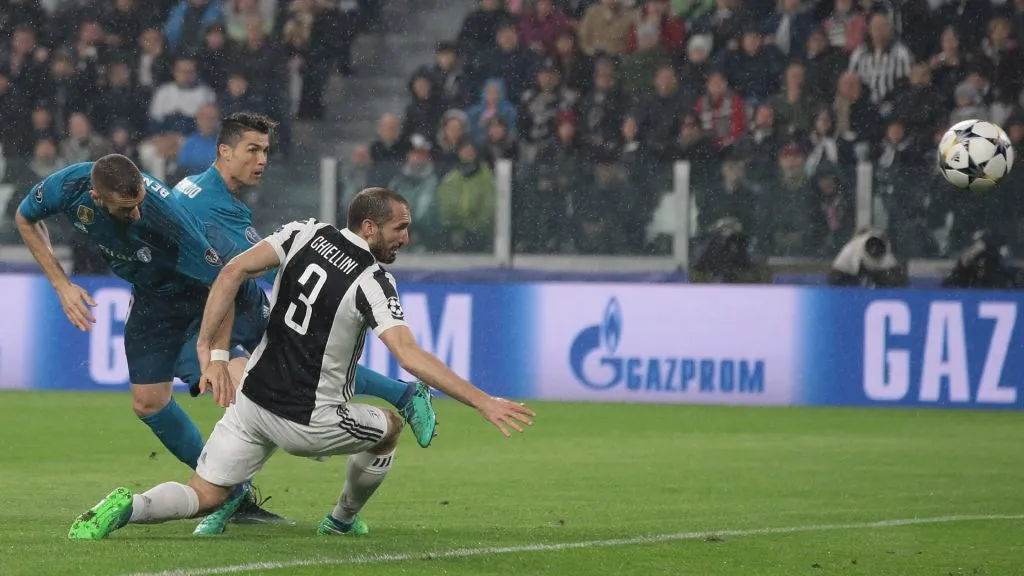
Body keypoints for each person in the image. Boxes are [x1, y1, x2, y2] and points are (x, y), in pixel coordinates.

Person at [68, 188, 536, 540]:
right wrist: (482, 401)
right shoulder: (373, 282)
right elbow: (408, 354)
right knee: (390, 427)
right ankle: (341, 520)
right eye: (399, 228)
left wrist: (211, 352)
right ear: (369, 228)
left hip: (251, 402)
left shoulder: (303, 233)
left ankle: (130, 507)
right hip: (309, 420)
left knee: (204, 494)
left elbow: (231, 271)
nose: (406, 238)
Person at [14, 154, 284, 529]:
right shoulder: (68, 186)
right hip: (152, 299)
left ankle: (299, 425)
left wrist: (217, 354)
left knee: (239, 380)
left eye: (139, 202)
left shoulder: (167, 219)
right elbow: (25, 217)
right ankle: (232, 490)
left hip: (199, 297)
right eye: (127, 209)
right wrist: (62, 285)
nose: (137, 213)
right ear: (96, 197)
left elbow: (224, 283)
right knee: (148, 402)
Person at [172, 112, 437, 450]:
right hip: (202, 310)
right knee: (278, 382)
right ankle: (403, 395)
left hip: (209, 305)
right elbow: (262, 265)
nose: (262, 160)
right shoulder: (219, 206)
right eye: (253, 150)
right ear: (225, 151)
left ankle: (228, 484)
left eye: (266, 151)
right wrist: (330, 277)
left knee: (273, 387)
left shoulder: (191, 185)